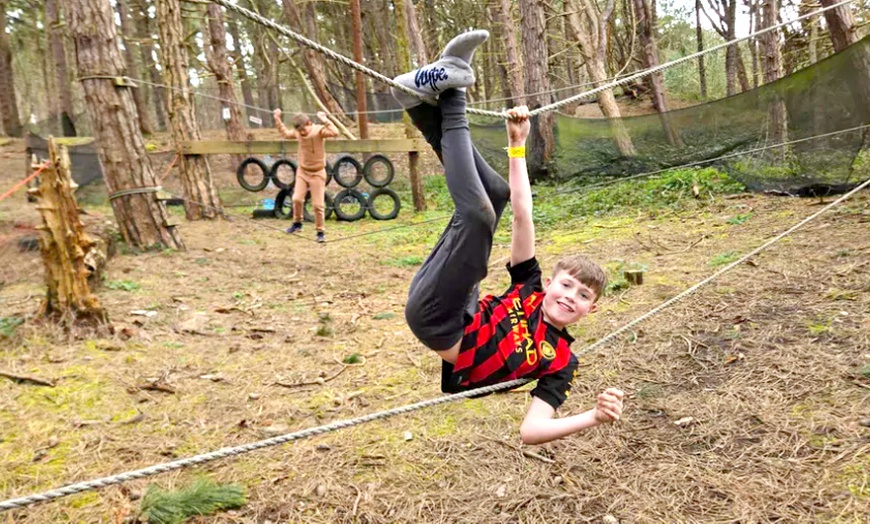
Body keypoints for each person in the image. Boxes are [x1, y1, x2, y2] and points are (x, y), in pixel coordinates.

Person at [393, 30, 624, 445]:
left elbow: (532, 431)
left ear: (591, 310)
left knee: (477, 216)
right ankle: (416, 102)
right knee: (496, 195)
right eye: (567, 285)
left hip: (439, 322)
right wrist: (516, 146)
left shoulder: (562, 361)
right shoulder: (529, 288)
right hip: (459, 302)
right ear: (549, 282)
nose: (570, 296)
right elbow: (522, 213)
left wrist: (592, 416)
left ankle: (453, 91)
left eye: (583, 295)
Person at [273, 109, 340, 243]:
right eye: (299, 131)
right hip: (303, 172)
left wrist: (325, 119)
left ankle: (320, 232)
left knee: (317, 205)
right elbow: (286, 134)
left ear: (309, 123)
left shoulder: (319, 131)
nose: (302, 133)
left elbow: (335, 132)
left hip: (317, 173)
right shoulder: (298, 133)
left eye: (303, 129)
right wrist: (277, 119)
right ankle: (297, 223)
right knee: (297, 199)